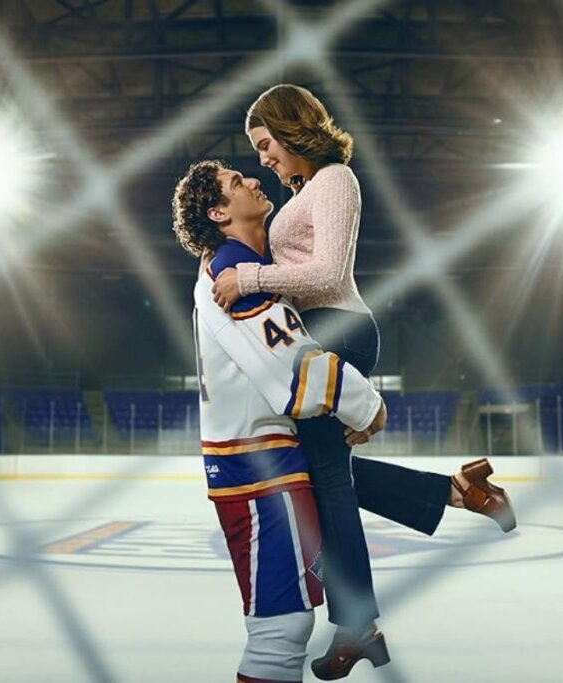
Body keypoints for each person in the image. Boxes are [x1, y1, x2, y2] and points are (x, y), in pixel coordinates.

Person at [209, 85, 515, 679]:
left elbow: (328, 272)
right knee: (324, 471)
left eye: (266, 144)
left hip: (339, 327)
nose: (263, 160)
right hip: (317, 331)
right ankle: (457, 493)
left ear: (292, 129)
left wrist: (247, 276)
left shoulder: (335, 182)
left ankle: (358, 626)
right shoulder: (305, 190)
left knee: (325, 478)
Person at [173, 159, 390, 683]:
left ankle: (451, 493)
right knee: (281, 629)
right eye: (234, 182)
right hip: (258, 471)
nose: (252, 178)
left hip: (261, 465)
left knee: (284, 625)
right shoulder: (232, 274)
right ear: (219, 212)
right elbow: (296, 369)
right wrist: (368, 406)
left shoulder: (239, 267)